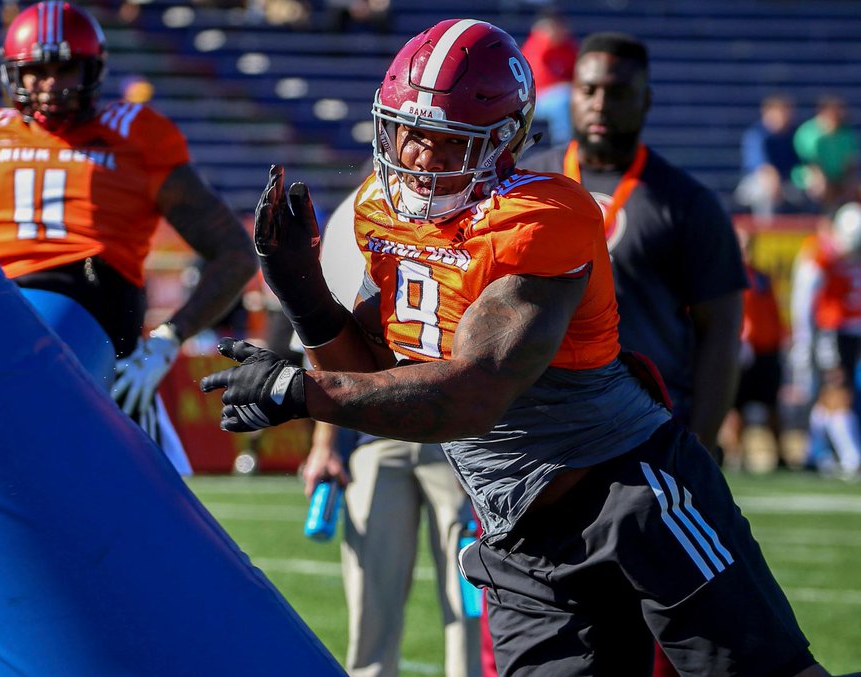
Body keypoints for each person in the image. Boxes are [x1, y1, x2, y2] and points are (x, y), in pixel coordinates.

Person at [201, 19, 835, 676]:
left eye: (445, 139)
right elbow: (379, 384)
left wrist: (299, 390)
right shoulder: (379, 214)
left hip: (628, 495)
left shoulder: (538, 218)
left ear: (500, 141)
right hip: (518, 535)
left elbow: (471, 394)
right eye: (407, 130)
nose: (418, 155)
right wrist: (307, 299)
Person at [0, 1, 255, 468]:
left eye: (65, 68)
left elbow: (235, 253)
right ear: (13, 75)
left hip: (103, 332)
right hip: (2, 327)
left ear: (92, 69)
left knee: (145, 511)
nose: (49, 84)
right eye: (36, 70)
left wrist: (169, 339)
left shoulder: (134, 134)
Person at [520, 32, 747, 458]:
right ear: (570, 97)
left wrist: (700, 441)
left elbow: (721, 329)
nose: (600, 104)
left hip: (646, 429)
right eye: (588, 90)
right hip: (538, 426)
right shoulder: (527, 186)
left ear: (646, 100)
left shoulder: (687, 203)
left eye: (618, 91)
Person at [301, 192, 474, 677]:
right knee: (370, 594)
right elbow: (327, 360)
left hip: (453, 436)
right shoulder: (362, 223)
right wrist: (324, 448)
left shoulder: (471, 221)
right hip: (377, 435)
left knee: (469, 591)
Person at [788, 203, 861, 434]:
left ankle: (817, 450)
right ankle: (843, 452)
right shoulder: (819, 253)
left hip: (851, 330)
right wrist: (804, 338)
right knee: (835, 385)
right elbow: (803, 299)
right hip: (832, 330)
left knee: (840, 388)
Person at [719, 228, 787, 472]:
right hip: (739, 349)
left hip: (765, 349)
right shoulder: (724, 277)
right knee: (734, 406)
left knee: (770, 404)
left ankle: (781, 456)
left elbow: (771, 311)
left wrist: (780, 337)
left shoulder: (760, 277)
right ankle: (736, 456)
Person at [735, 94, 807, 220]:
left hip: (786, 182)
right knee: (766, 190)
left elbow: (801, 164)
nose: (784, 118)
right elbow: (762, 169)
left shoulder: (792, 135)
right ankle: (765, 230)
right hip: (755, 183)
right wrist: (773, 180)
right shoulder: (756, 135)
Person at [519, 7, 578, 147]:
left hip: (563, 95)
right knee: (563, 99)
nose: (558, 30)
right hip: (536, 99)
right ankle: (564, 147)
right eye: (553, 26)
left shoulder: (568, 47)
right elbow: (539, 81)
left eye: (559, 26)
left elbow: (578, 72)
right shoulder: (536, 45)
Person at [793, 96, 859, 212]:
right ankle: (822, 219)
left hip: (839, 177)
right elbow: (811, 163)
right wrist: (823, 179)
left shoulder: (846, 134)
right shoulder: (807, 132)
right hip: (810, 175)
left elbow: (850, 163)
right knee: (820, 186)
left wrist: (850, 182)